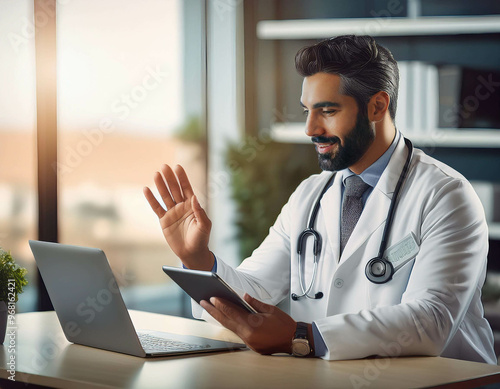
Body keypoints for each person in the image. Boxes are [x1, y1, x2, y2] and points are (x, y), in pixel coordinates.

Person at [144, 35, 496, 364]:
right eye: (306, 111)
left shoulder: (446, 195)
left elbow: (431, 321)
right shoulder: (310, 195)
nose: (310, 129)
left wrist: (304, 337)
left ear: (377, 106)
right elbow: (255, 292)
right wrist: (198, 259)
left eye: (327, 111)